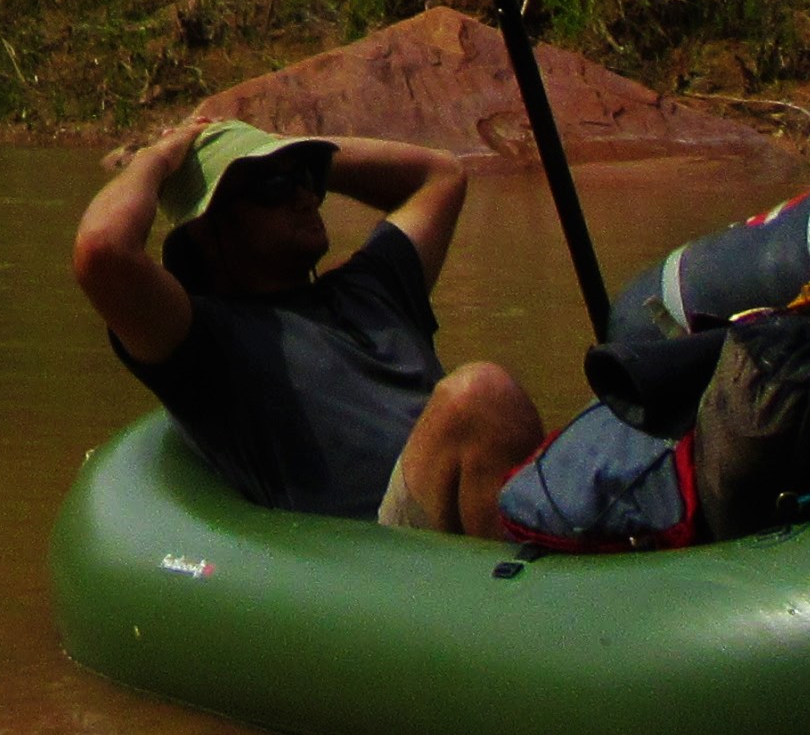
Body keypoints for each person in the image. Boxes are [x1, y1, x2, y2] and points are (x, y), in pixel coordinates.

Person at [71, 114, 552, 534]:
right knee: (477, 394)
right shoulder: (201, 341)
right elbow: (102, 250)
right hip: (379, 555)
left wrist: (285, 152)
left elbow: (439, 174)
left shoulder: (374, 287)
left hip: (454, 510)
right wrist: (159, 157)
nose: (305, 197)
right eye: (275, 188)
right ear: (209, 232)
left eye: (306, 181)